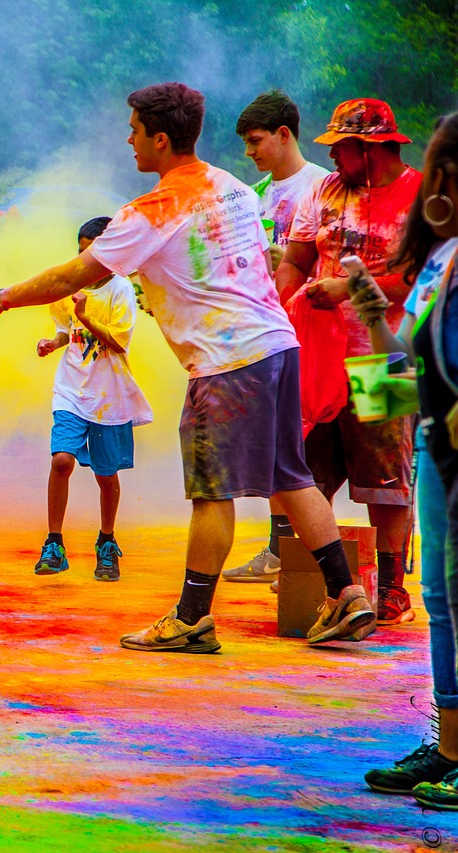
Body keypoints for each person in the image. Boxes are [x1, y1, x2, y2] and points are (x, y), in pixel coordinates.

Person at [0, 82, 371, 652]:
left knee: (212, 491)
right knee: (289, 476)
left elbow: (75, 275)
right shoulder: (232, 188)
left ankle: (191, 618)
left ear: (160, 138)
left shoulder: (153, 209)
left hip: (228, 363)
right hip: (278, 346)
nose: (128, 140)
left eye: (134, 131)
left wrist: (1, 298)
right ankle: (346, 594)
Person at [274, 98, 423, 625]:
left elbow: (419, 278)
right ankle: (333, 586)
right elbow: (295, 259)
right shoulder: (325, 190)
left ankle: (391, 591)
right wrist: (282, 306)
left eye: (341, 146)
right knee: (303, 472)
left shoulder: (420, 196)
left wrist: (346, 287)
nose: (332, 155)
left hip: (386, 357)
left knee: (386, 481)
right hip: (320, 359)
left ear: (372, 146)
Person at [349, 111, 458, 808]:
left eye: (442, 166)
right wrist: (362, 300)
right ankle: (449, 746)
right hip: (436, 443)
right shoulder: (443, 255)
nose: (434, 180)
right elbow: (406, 364)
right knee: (442, 602)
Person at [224, 90, 330, 585]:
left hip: (315, 335)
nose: (250, 152)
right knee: (274, 443)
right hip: (265, 334)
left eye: (256, 141)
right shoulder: (251, 195)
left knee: (309, 446)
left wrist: (282, 264)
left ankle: (323, 562)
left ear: (284, 135)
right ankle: (277, 548)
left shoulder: (322, 188)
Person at [33, 216, 152, 581]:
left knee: (106, 474)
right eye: (81, 252)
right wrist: (54, 342)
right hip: (70, 387)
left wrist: (84, 317)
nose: (84, 261)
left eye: (93, 253)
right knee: (62, 461)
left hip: (108, 396)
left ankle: (106, 541)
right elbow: (65, 331)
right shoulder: (70, 285)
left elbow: (119, 342)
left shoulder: (120, 290)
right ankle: (54, 543)